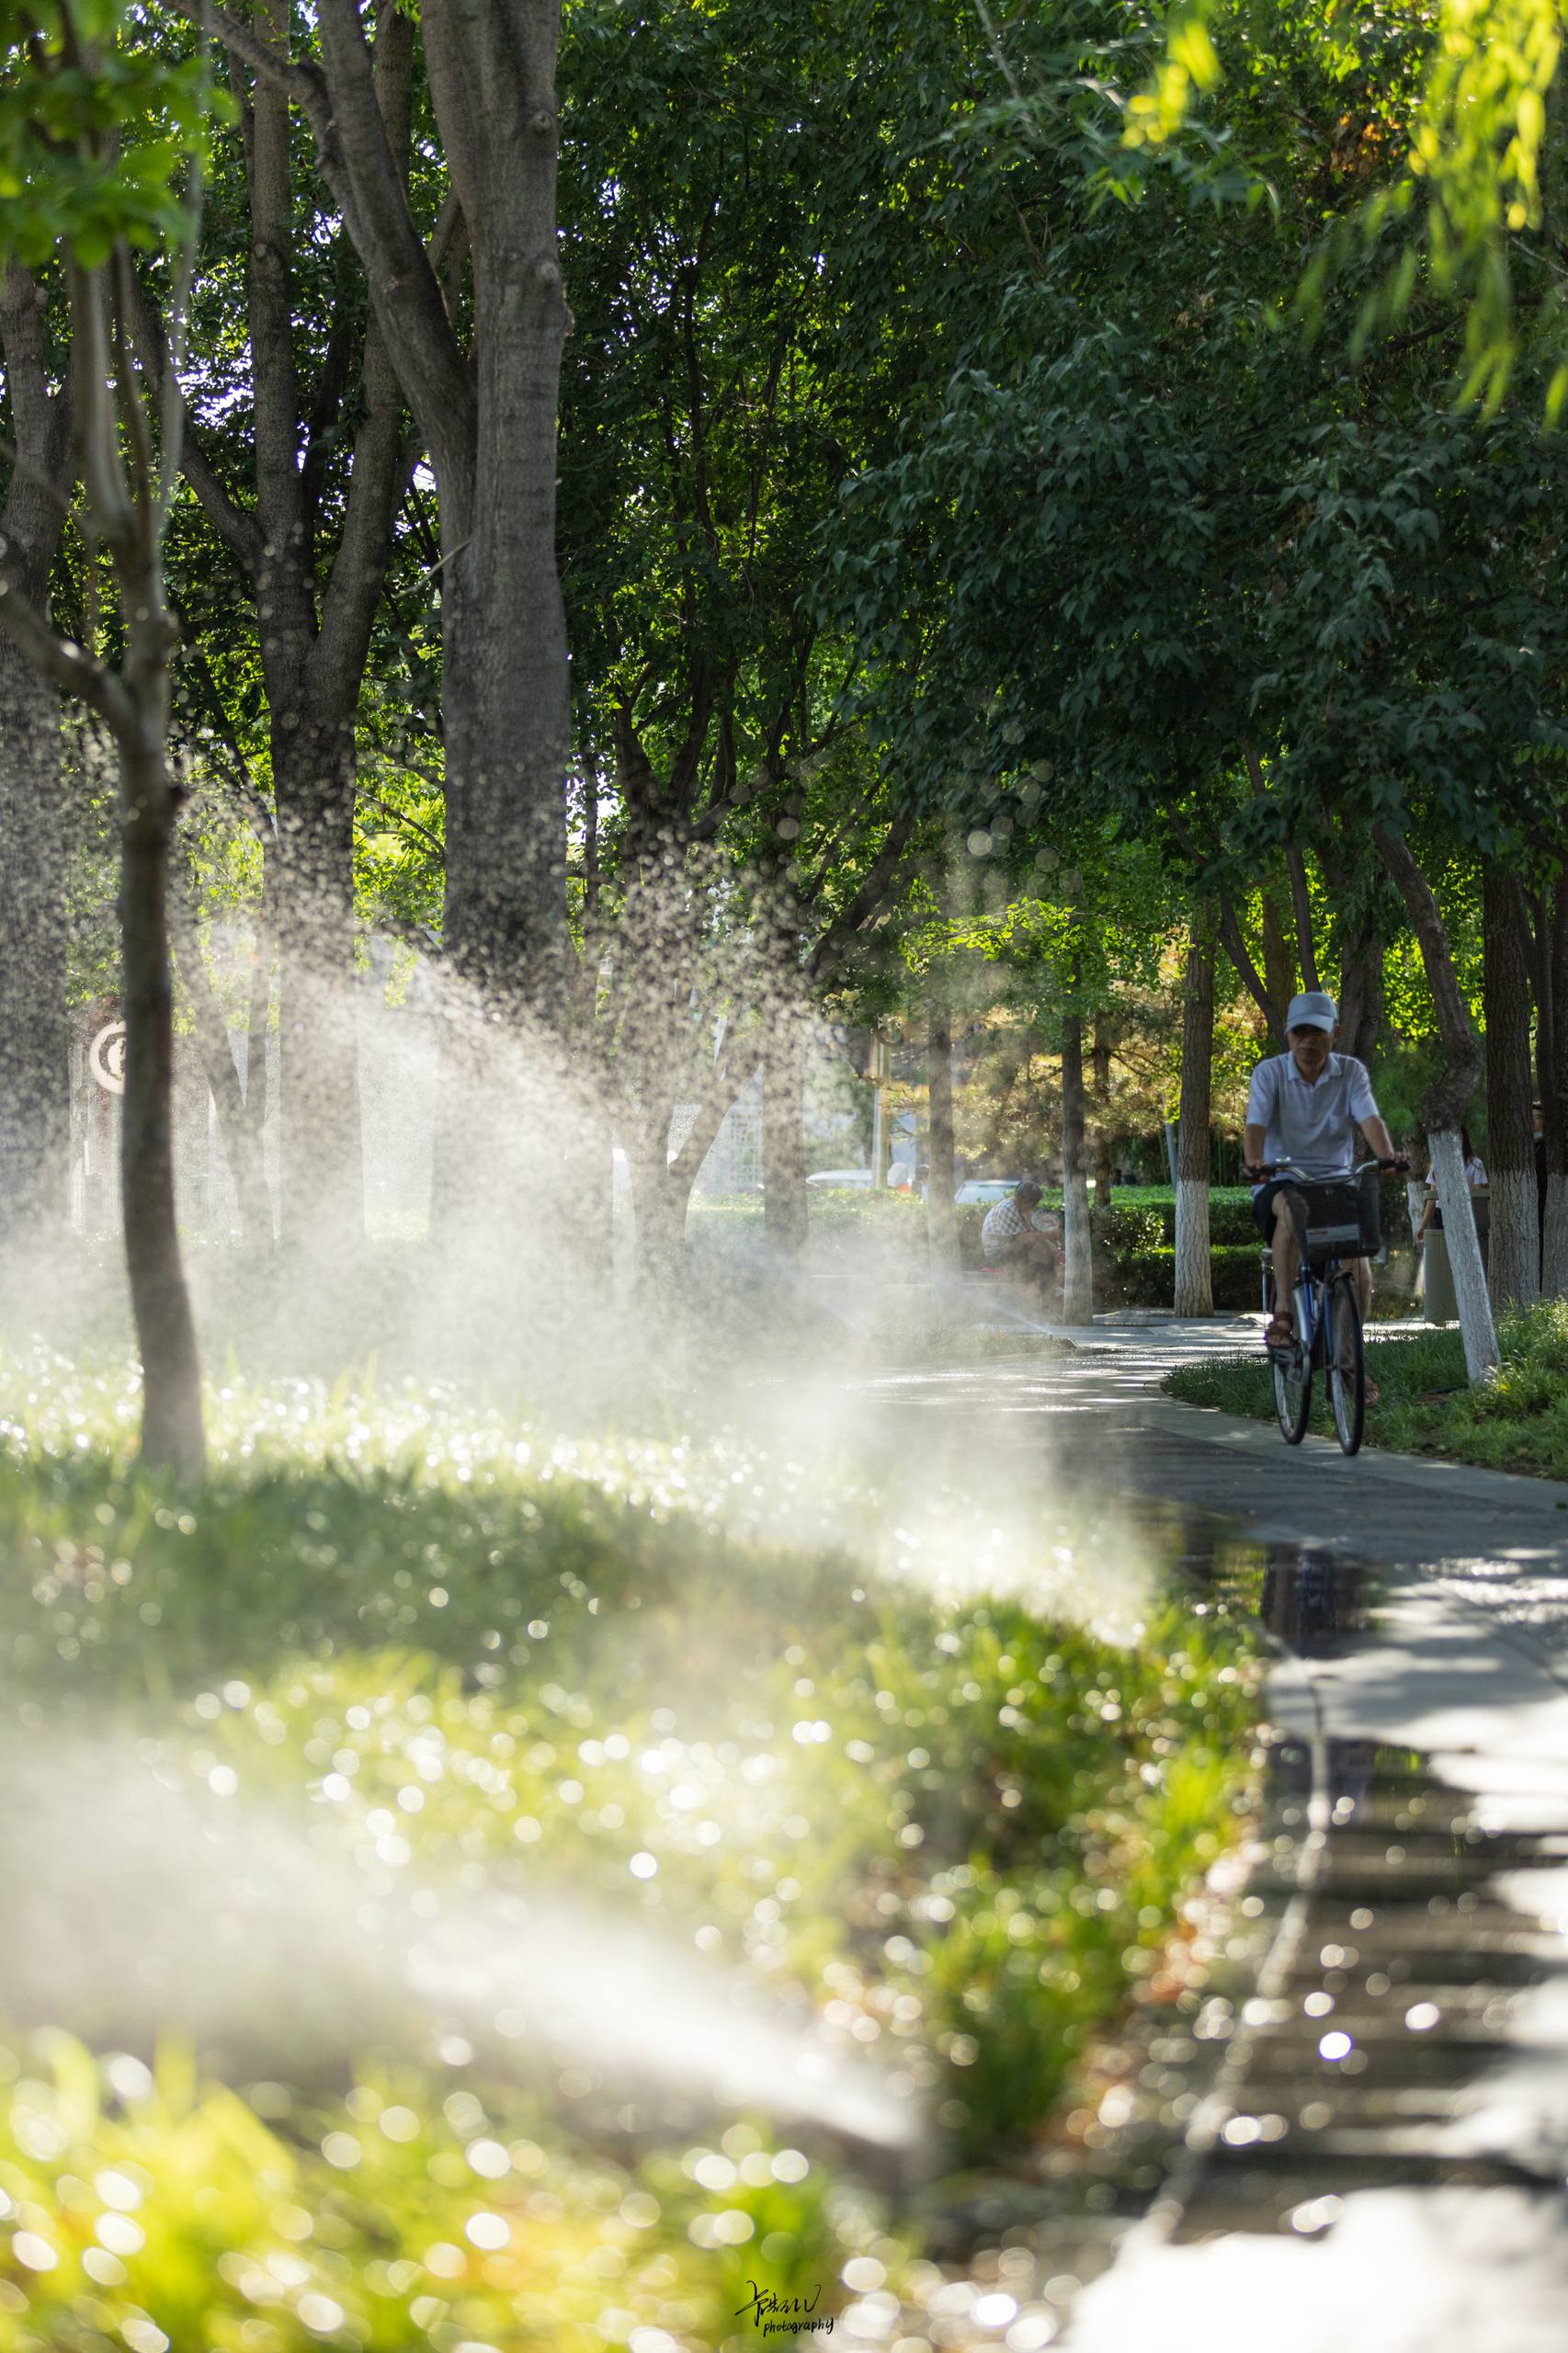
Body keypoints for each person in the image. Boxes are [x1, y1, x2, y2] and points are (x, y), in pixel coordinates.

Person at [1244, 991, 1406, 1406]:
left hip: (1336, 1182)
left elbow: (1369, 1118)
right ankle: (1283, 1311)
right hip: (1282, 1179)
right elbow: (1256, 1124)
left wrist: (1385, 1156)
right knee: (1290, 1212)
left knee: (1362, 1276)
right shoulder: (1270, 1073)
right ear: (1288, 1036)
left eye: (1317, 1032)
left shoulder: (1350, 1072)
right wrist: (1256, 1162)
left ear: (1335, 1033)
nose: (1308, 1042)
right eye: (1300, 1032)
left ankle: (1349, 1367)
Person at [981, 1179, 1062, 1294]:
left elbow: (1032, 1232)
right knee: (1042, 1258)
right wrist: (1049, 1235)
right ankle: (1044, 1294)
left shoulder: (1020, 1209)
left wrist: (1054, 1249)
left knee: (1046, 1254)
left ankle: (1047, 1292)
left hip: (1010, 1250)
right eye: (1033, 1204)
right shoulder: (1008, 1209)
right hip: (997, 1255)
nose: (1032, 1208)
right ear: (1028, 1202)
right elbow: (1024, 1239)